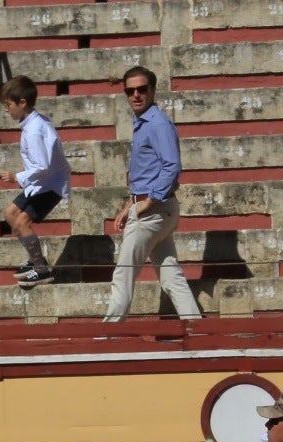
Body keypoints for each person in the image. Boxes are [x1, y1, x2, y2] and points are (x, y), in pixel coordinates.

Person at [103, 66, 202, 322]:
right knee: (170, 274)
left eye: (142, 89)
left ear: (153, 90)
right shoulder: (145, 123)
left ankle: (109, 334)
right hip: (159, 209)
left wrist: (149, 201)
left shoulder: (157, 123)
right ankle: (197, 328)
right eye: (130, 90)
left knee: (123, 274)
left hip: (154, 211)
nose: (136, 95)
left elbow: (172, 165)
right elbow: (148, 172)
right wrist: (130, 204)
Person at [0, 76, 70, 288]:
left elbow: (43, 166)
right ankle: (35, 259)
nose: (7, 110)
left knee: (22, 222)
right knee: (10, 214)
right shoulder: (34, 123)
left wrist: (17, 177)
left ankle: (41, 269)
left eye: (9, 105)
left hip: (49, 185)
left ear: (22, 103)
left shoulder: (33, 129)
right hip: (40, 183)